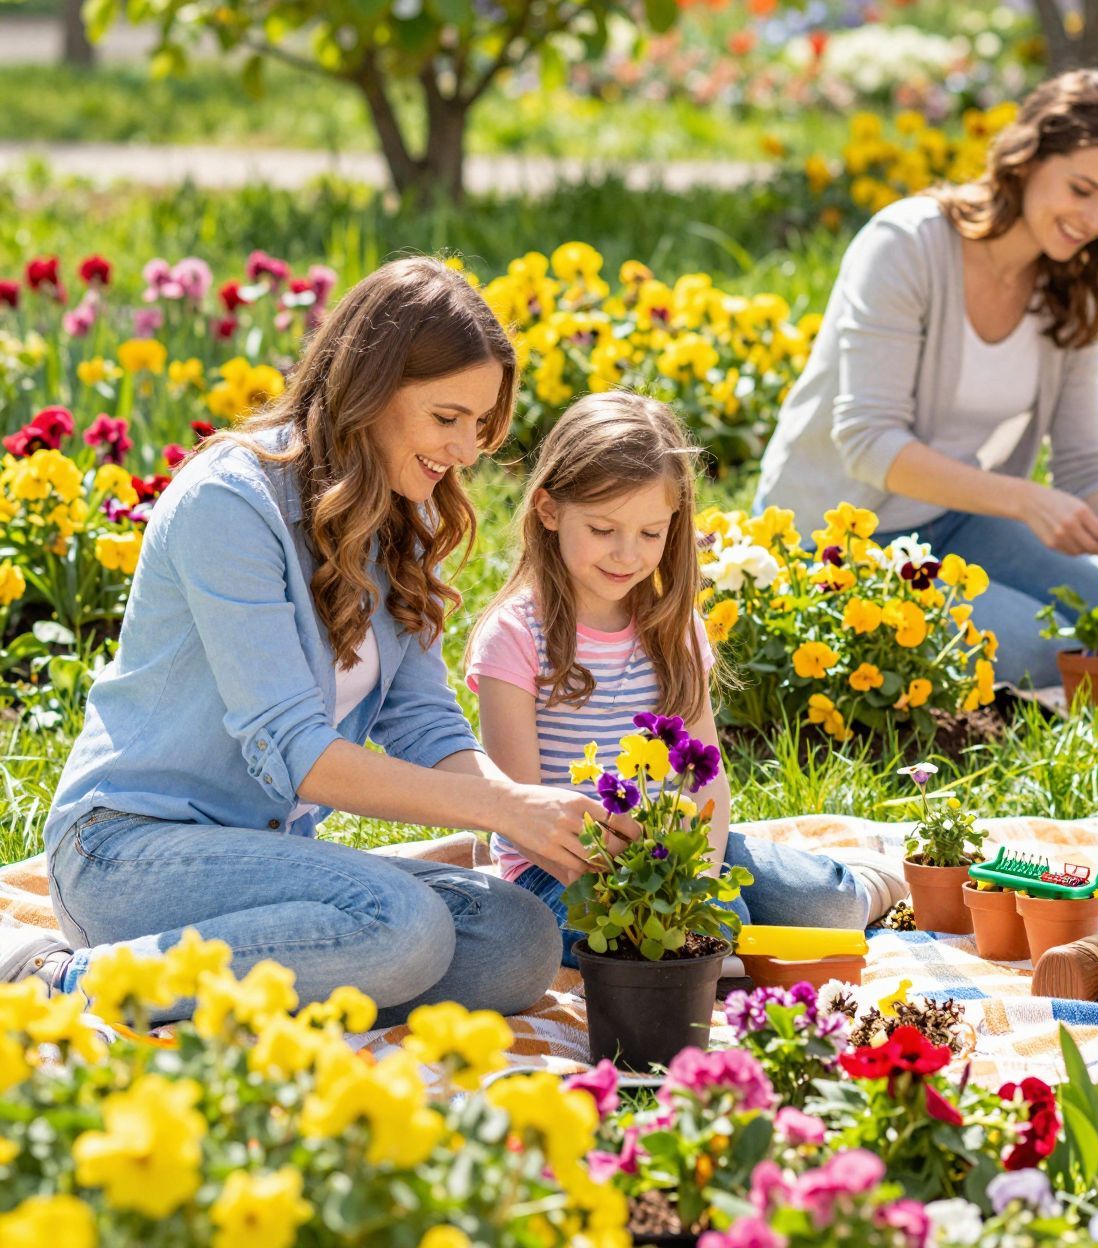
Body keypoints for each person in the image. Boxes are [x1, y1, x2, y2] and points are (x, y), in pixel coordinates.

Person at [2, 259, 593, 1025]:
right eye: (447, 418)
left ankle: (270, 985)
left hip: (264, 863)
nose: (468, 450)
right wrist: (503, 805)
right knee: (402, 926)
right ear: (371, 388)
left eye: (479, 425)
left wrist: (524, 810)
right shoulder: (230, 501)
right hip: (128, 853)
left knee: (518, 939)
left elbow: (424, 725)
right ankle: (56, 979)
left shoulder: (400, 515)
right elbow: (297, 755)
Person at [754, 68, 1098, 689]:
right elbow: (867, 441)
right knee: (1039, 651)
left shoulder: (1071, 285)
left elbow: (1083, 462)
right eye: (1081, 189)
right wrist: (1026, 500)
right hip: (842, 541)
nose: (1093, 219)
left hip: (957, 520)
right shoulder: (906, 246)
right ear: (1026, 161)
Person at [466, 391, 905, 966]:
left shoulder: (672, 628)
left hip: (676, 848)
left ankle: (868, 881)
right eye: (603, 529)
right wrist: (656, 888)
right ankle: (709, 948)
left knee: (829, 907)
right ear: (550, 510)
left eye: (651, 533)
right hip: (558, 869)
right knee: (657, 940)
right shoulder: (516, 635)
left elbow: (708, 778)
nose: (627, 554)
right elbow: (522, 811)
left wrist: (695, 873)